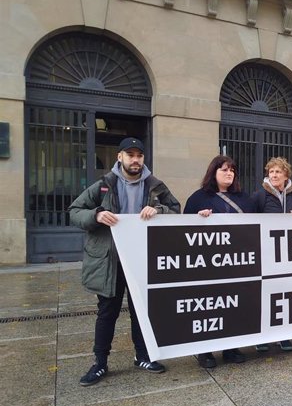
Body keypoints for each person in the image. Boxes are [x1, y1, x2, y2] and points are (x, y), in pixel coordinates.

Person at [69, 137, 181, 386]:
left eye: (139, 155)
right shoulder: (104, 184)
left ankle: (142, 356)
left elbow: (175, 208)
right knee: (107, 312)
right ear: (119, 157)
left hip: (142, 259)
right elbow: (74, 211)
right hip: (110, 261)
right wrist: (97, 214)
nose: (135, 160)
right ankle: (100, 363)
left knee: (141, 311)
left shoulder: (154, 185)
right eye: (130, 155)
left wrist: (159, 211)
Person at [184, 155, 256, 369]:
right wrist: (198, 219)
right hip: (208, 264)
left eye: (232, 170)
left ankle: (231, 348)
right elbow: (183, 229)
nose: (229, 173)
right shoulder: (198, 198)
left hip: (238, 263)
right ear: (213, 172)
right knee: (210, 306)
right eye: (224, 169)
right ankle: (205, 351)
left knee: (234, 304)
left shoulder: (245, 199)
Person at [252, 156, 292, 352]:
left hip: (288, 255)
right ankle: (263, 337)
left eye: (278, 172)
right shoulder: (260, 195)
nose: (274, 175)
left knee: (286, 294)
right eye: (271, 172)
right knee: (266, 294)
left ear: (286, 175)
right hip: (267, 255)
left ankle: (284, 335)